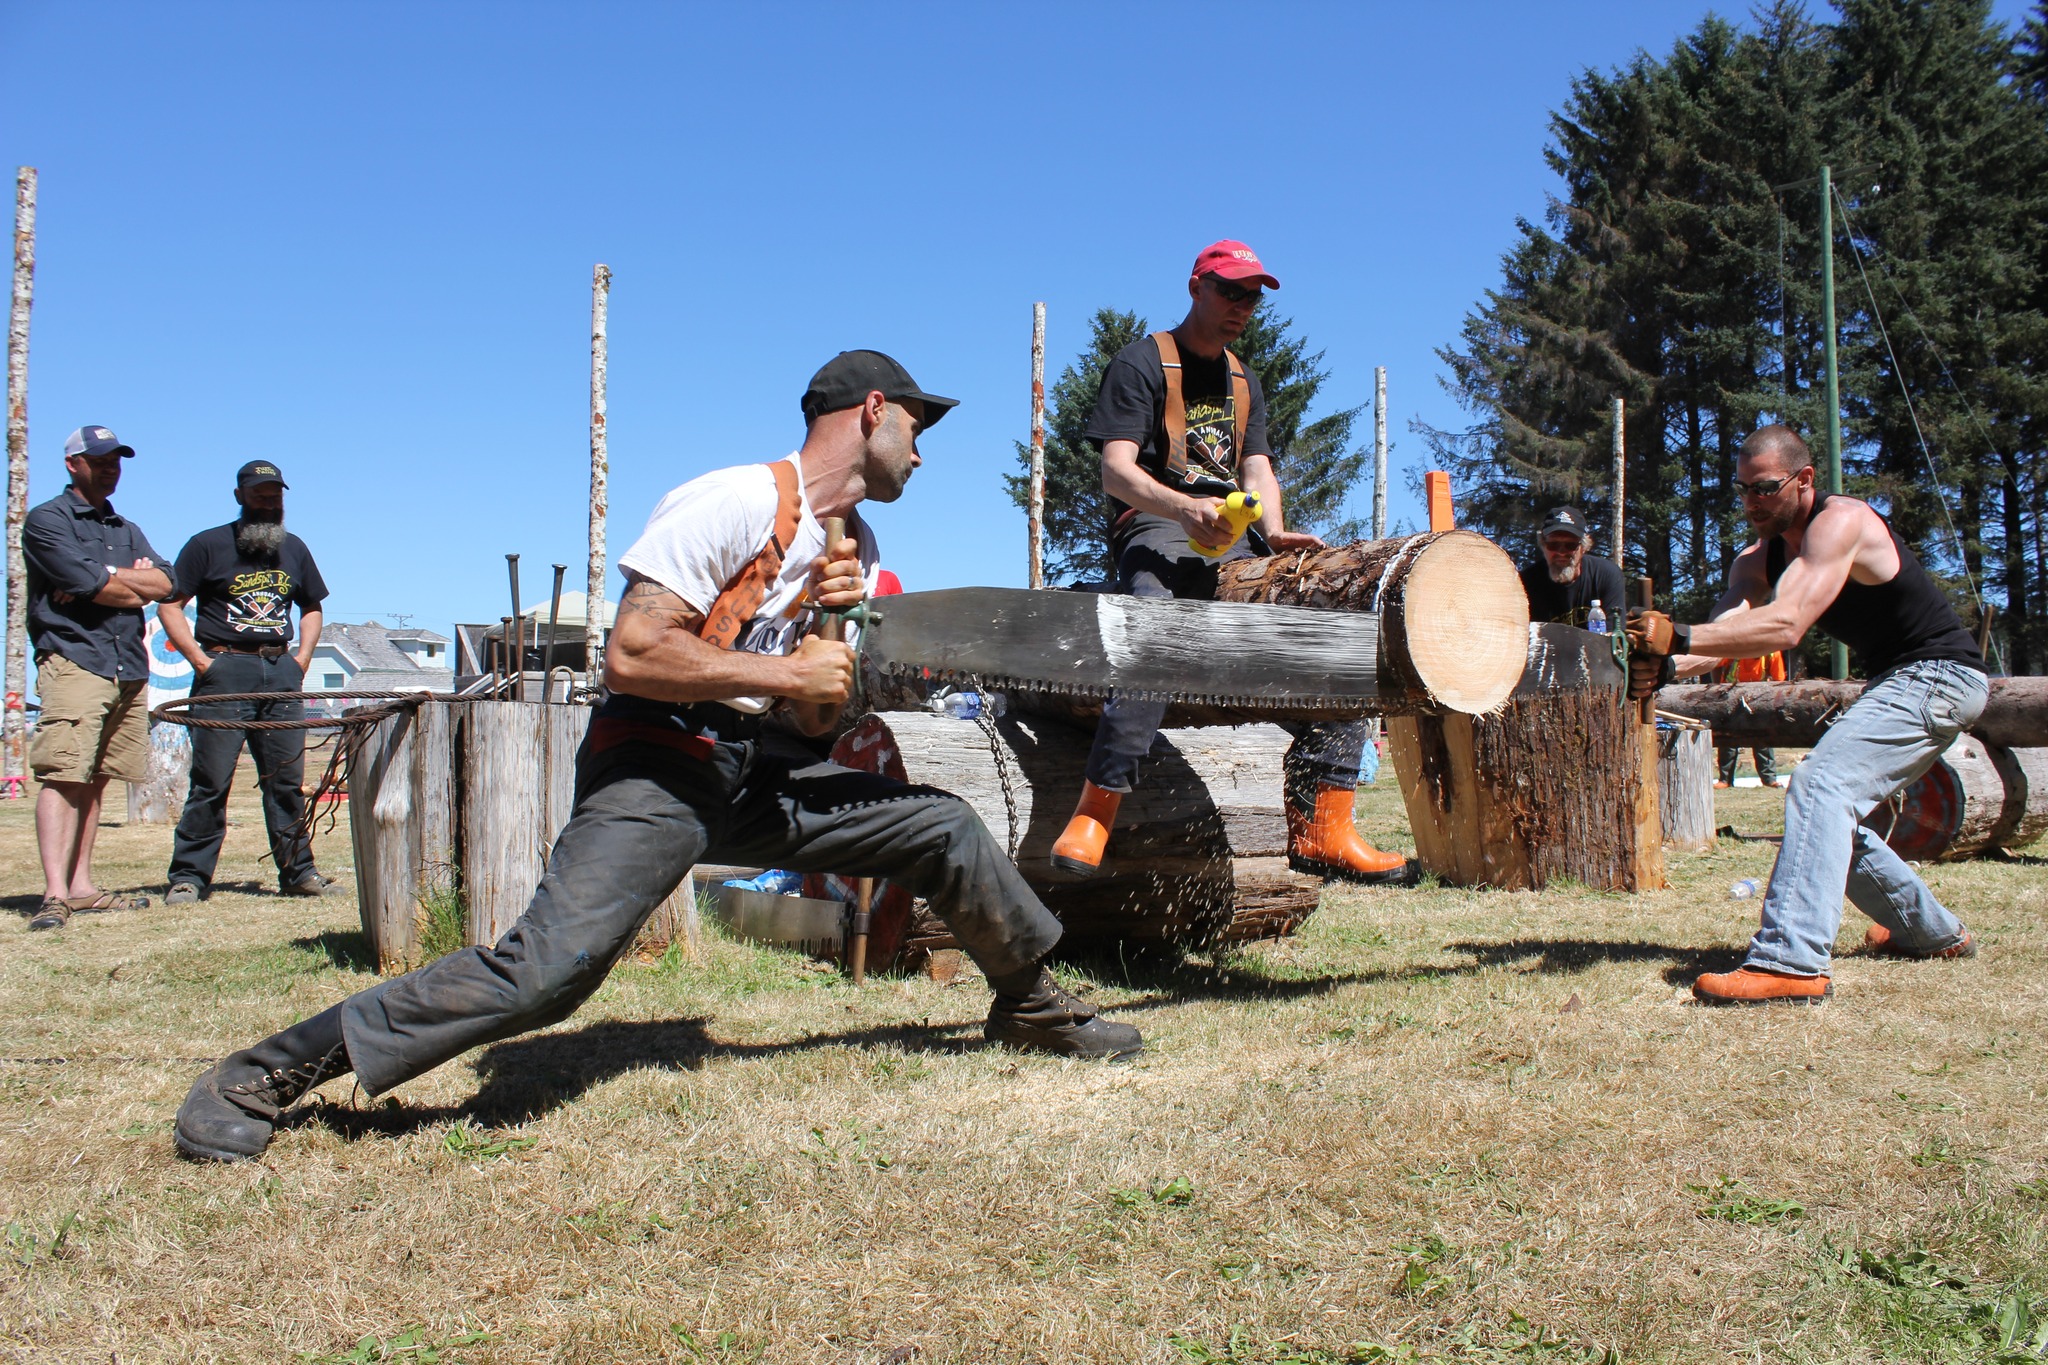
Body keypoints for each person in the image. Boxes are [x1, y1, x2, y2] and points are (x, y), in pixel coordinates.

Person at [173, 350, 1142, 1163]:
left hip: (753, 764)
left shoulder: (853, 542)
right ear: (871, 410)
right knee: (546, 972)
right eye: (916, 429)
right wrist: (789, 673)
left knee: (940, 825)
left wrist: (829, 639)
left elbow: (811, 721)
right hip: (655, 761)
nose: (921, 452)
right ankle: (260, 1076)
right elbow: (632, 654)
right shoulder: (731, 501)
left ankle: (1031, 1004)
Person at [1050, 240, 1410, 884]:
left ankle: (1323, 829)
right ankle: (1095, 811)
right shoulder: (1141, 362)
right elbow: (1115, 472)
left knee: (1326, 638)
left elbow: (1256, 469)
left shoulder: (1243, 380)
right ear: (1196, 286)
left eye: (1252, 297)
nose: (1242, 305)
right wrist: (1183, 507)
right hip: (1156, 527)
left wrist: (1274, 532)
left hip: (1235, 537)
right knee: (1155, 633)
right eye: (1230, 291)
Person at [1626, 425, 1988, 1006]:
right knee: (1830, 819)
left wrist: (1678, 636)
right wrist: (1662, 664)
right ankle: (1932, 932)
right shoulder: (1756, 559)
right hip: (1898, 681)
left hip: (1941, 676)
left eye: (1765, 488)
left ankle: (1791, 964)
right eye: (1742, 490)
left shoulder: (1843, 521)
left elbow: (1788, 622)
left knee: (1820, 785)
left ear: (1805, 479)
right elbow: (1724, 632)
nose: (1751, 502)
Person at [160, 460, 340, 903]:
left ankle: (299, 872)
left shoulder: (294, 549)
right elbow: (170, 604)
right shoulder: (206, 545)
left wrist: (301, 659)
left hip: (281, 672)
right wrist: (201, 662)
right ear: (239, 496)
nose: (270, 502)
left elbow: (312, 606)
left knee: (286, 780)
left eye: (276, 495)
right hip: (225, 671)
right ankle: (189, 877)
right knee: (211, 781)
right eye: (260, 495)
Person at [21, 426, 174, 931]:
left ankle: (82, 887)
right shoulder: (48, 520)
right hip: (74, 659)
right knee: (65, 774)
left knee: (98, 777)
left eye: (116, 461)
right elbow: (83, 580)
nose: (111, 469)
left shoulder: (125, 528)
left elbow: (167, 583)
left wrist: (109, 578)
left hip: (126, 663)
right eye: (100, 460)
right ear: (73, 464)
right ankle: (54, 895)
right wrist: (124, 581)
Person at [1519, 506, 1626, 629]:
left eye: (1570, 545)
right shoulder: (1525, 584)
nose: (1561, 552)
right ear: (1543, 545)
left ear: (1583, 548)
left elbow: (1615, 635)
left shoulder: (1607, 575)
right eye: (1553, 545)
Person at [1714, 650, 1787, 788]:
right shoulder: (1735, 649)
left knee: (1763, 740)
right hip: (1732, 696)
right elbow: (1716, 664)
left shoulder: (1772, 654)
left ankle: (1769, 780)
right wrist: (1717, 688)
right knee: (1728, 739)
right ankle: (1725, 779)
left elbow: (1779, 682)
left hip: (1760, 698)